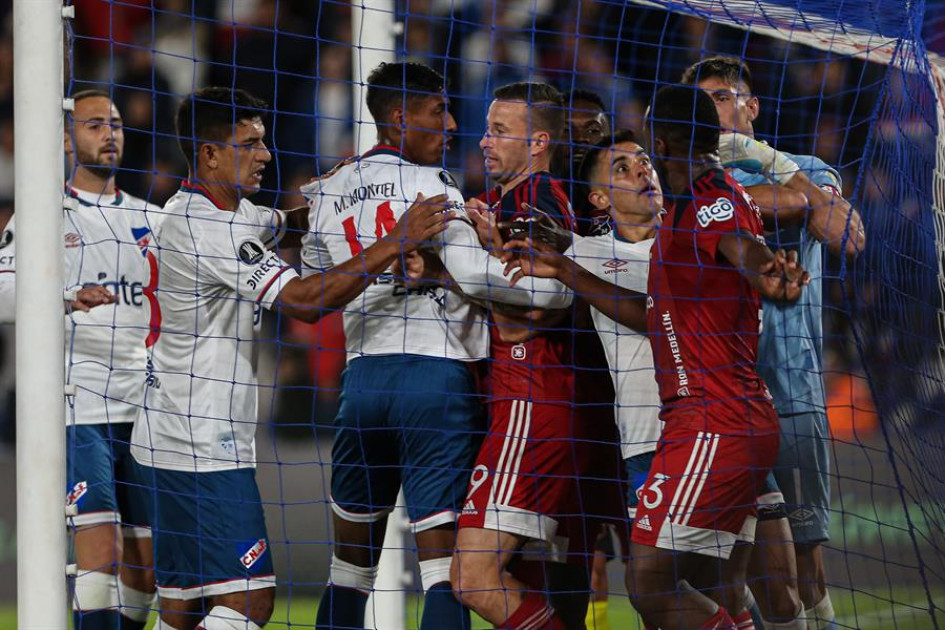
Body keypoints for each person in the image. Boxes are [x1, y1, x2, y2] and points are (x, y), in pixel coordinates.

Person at [130, 86, 452, 630]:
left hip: (169, 434)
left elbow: (289, 223)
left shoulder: (229, 213)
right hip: (198, 444)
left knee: (184, 608)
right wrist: (395, 239)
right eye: (249, 143)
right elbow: (304, 302)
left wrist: (343, 191)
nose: (265, 154)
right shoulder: (209, 227)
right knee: (251, 600)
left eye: (264, 141)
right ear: (209, 153)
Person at [682, 56, 865, 630]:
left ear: (752, 105)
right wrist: (785, 195)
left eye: (724, 96)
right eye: (704, 101)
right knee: (725, 567)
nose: (716, 109)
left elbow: (843, 235)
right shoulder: (692, 180)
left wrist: (774, 168)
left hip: (792, 385)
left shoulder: (807, 167)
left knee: (806, 561)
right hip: (714, 393)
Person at [627, 84, 809, 630]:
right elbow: (658, 313)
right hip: (712, 418)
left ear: (660, 140)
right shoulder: (688, 204)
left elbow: (742, 248)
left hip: (715, 421)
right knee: (723, 587)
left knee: (649, 584)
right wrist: (565, 268)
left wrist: (767, 272)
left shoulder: (712, 199)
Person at [0, 90, 159, 630]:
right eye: (94, 125)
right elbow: (1, 296)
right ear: (67, 140)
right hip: (78, 403)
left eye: (114, 123)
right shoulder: (42, 215)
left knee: (145, 567)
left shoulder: (153, 219)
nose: (108, 134)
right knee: (101, 546)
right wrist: (66, 298)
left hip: (145, 407)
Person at [504, 130, 664, 630]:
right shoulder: (586, 251)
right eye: (622, 168)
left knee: (753, 575)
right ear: (598, 198)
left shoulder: (694, 243)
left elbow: (654, 316)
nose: (643, 170)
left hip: (716, 430)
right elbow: (526, 278)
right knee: (650, 590)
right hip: (642, 441)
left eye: (644, 161)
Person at [444, 81, 590, 630]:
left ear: (538, 142)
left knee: (475, 577)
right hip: (520, 400)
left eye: (500, 132)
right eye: (486, 129)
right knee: (527, 578)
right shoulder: (508, 204)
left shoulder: (539, 201)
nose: (485, 142)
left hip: (533, 396)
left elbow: (542, 305)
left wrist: (453, 267)